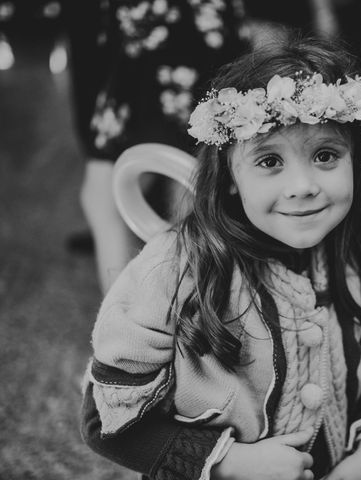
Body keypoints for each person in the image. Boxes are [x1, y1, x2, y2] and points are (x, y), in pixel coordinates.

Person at [79, 36, 361, 480]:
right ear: (230, 176)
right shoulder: (174, 269)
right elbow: (104, 424)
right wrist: (231, 463)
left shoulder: (344, 249)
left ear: (356, 160)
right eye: (270, 160)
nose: (303, 186)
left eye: (326, 155)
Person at [63, 0, 246, 293]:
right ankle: (178, 323)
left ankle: (136, 327)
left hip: (160, 40)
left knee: (120, 195)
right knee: (186, 190)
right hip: (172, 38)